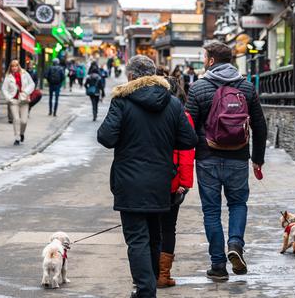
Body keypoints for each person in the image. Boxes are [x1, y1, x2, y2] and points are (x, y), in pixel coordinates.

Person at [97, 56, 197, 298]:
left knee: (137, 240)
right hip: (160, 181)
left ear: (131, 76)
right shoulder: (172, 103)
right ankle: (148, 287)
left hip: (129, 183)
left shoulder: (121, 101)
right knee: (154, 237)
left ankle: (145, 291)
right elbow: (189, 140)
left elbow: (106, 137)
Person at [186, 41, 267, 282]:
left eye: (204, 57)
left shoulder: (198, 88)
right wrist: (258, 159)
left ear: (211, 60)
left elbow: (188, 127)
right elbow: (260, 125)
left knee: (211, 211)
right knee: (238, 204)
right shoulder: (246, 87)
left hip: (207, 158)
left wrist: (188, 158)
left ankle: (218, 265)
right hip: (239, 157)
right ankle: (235, 244)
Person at [155, 66, 193, 288]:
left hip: (151, 180)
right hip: (173, 182)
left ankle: (149, 273)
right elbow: (187, 153)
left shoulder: (147, 113)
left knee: (152, 228)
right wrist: (185, 184)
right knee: (168, 227)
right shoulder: (182, 114)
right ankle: (163, 275)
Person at [2, 59, 35, 145]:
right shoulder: (8, 77)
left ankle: (21, 133)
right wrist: (9, 98)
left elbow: (32, 84)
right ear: (10, 67)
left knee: (24, 121)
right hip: (14, 101)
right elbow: (4, 89)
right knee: (16, 119)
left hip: (24, 100)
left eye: (16, 66)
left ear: (18, 66)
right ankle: (17, 138)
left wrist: (26, 92)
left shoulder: (25, 74)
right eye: (12, 66)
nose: (14, 68)